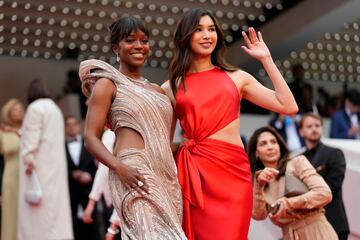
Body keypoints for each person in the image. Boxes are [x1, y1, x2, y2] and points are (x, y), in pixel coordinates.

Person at [163, 8, 298, 240]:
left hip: (233, 176)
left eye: (211, 29)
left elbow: (288, 106)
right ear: (185, 37)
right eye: (198, 30)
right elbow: (163, 144)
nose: (207, 35)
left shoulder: (237, 77)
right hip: (195, 177)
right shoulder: (171, 86)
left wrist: (266, 60)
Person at [79, 16, 186, 239]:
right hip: (133, 173)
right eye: (130, 40)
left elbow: (164, 142)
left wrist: (194, 146)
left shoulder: (160, 92)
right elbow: (90, 137)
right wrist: (118, 167)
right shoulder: (108, 84)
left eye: (144, 40)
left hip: (166, 178)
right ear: (116, 47)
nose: (139, 46)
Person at [248, 126, 338, 240]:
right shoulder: (258, 182)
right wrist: (258, 185)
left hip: (317, 231)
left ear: (279, 146)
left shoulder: (297, 163)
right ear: (256, 153)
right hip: (289, 235)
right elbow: (258, 215)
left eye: (273, 142)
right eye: (263, 144)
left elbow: (324, 193)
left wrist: (288, 203)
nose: (270, 147)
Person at [18, 79, 73, 240]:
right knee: (56, 210)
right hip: (55, 168)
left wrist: (28, 159)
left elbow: (30, 142)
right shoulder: (55, 109)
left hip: (39, 168)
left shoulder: (34, 109)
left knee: (37, 214)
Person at [300, 113, 349, 240]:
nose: (314, 129)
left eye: (317, 125)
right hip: (307, 226)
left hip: (333, 222)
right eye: (309, 126)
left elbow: (333, 186)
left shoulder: (334, 153)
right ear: (301, 131)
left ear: (322, 128)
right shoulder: (298, 159)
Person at [65, 115, 98, 240]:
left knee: (92, 224)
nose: (72, 127)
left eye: (74, 124)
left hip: (89, 191)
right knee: (74, 225)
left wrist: (89, 175)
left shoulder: (88, 143)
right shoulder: (61, 147)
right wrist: (72, 174)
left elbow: (95, 164)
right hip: (71, 192)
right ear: (65, 128)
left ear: (79, 126)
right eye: (68, 125)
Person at [0, 98, 24, 240]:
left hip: (29, 178)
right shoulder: (2, 132)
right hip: (11, 179)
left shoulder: (28, 129)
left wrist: (16, 131)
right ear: (8, 113)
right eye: (15, 109)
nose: (19, 111)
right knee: (11, 216)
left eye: (21, 109)